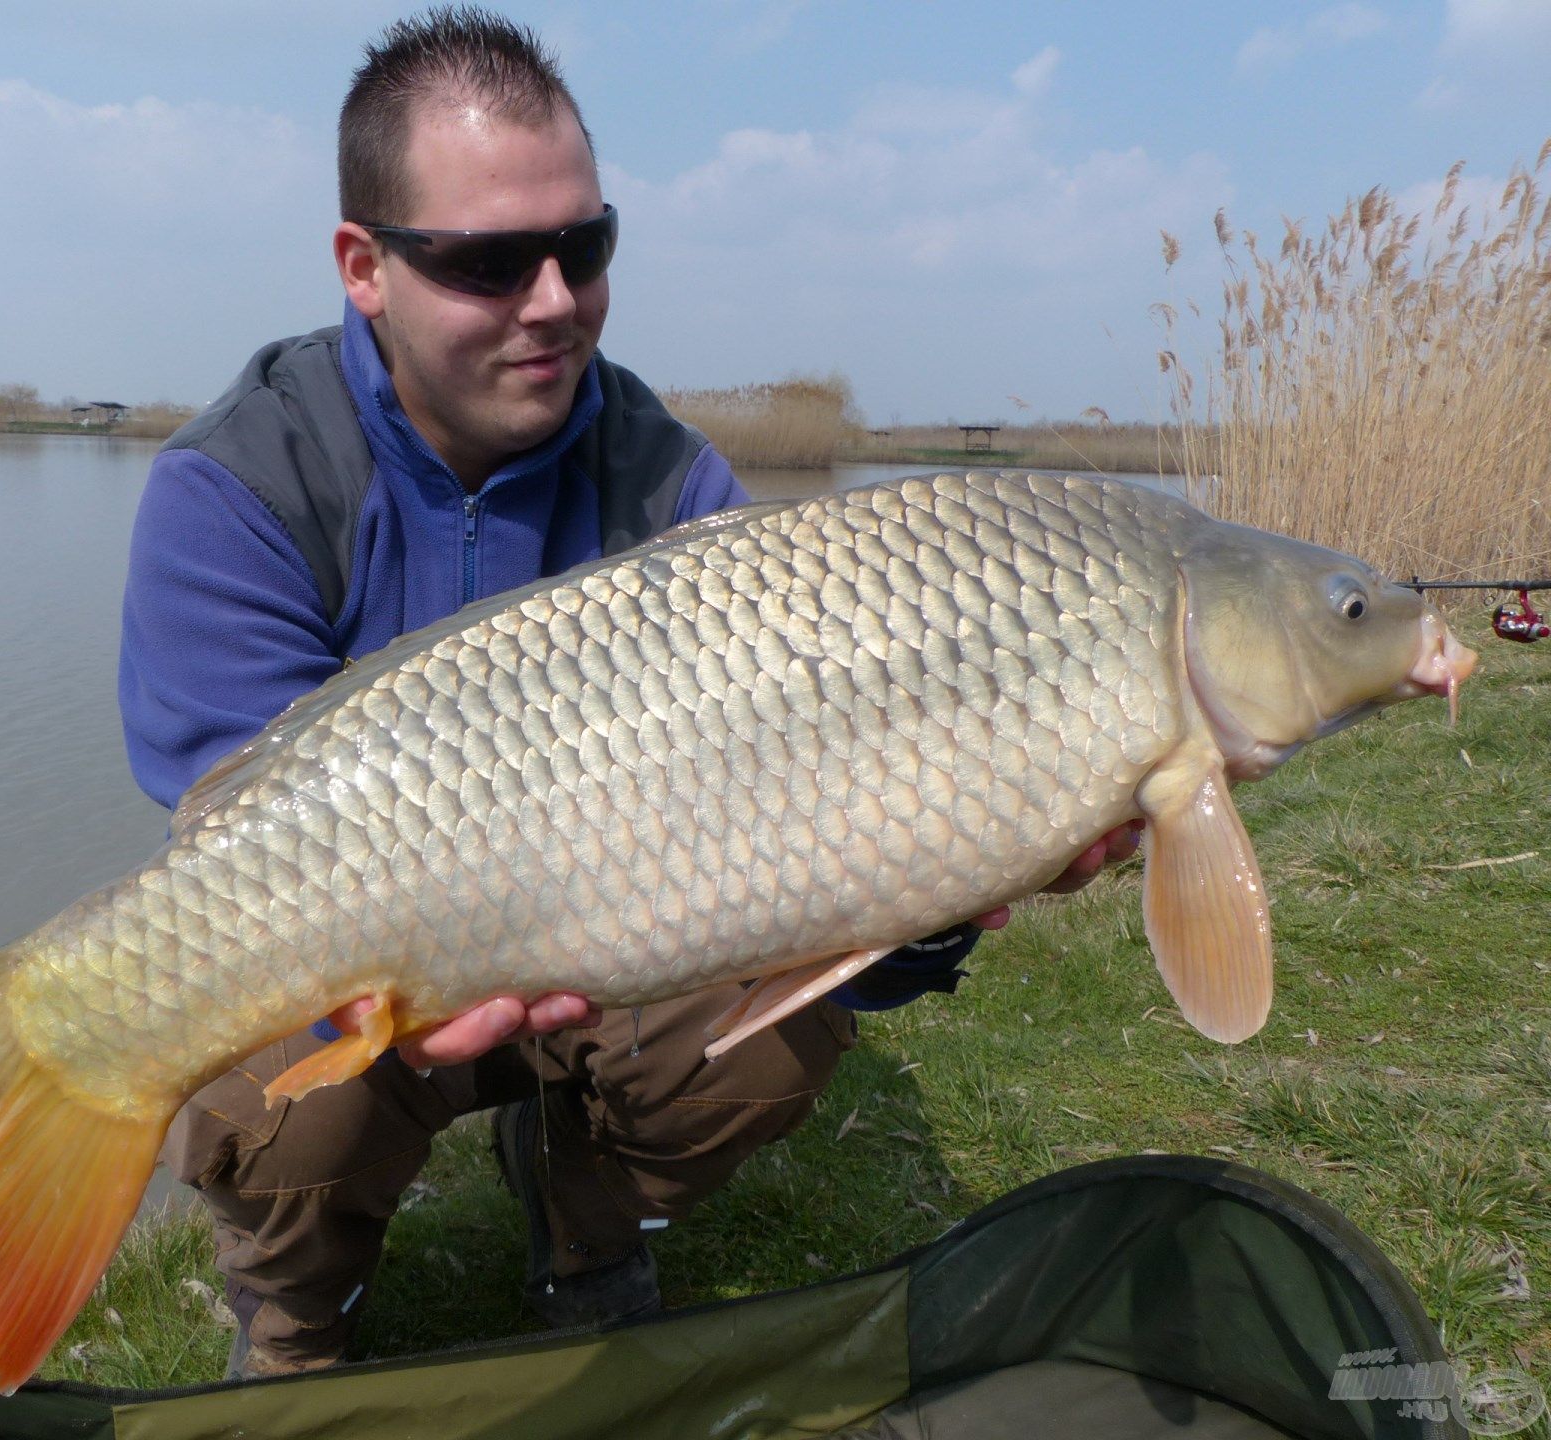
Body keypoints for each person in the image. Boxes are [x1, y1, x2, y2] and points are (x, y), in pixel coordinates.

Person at [117, 5, 1139, 1381]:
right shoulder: (236, 485)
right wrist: (398, 995)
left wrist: (948, 876)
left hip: (617, 939)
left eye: (582, 246)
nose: (553, 300)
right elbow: (241, 838)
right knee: (274, 1086)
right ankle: (299, 1306)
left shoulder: (675, 489)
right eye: (489, 261)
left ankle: (587, 1220)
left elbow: (814, 866)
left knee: (772, 1054)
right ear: (364, 266)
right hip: (350, 930)